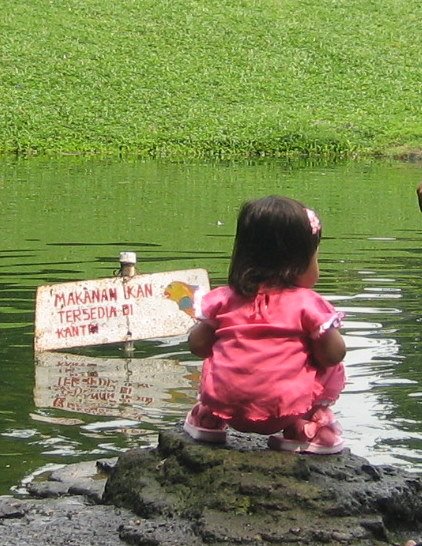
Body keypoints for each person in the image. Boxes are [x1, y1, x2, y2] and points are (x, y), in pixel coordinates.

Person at [184, 195, 346, 454]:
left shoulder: (222, 300)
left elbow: (197, 345)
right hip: (285, 410)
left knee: (216, 351)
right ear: (297, 263)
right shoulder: (308, 304)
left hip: (226, 404)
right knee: (333, 363)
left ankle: (208, 418)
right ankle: (310, 427)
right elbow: (334, 354)